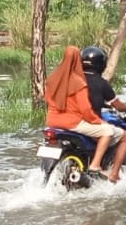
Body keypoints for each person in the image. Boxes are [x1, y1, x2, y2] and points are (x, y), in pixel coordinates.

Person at [44, 45, 119, 181]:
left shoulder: (52, 79)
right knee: (107, 131)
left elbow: (48, 100)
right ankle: (95, 165)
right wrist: (98, 121)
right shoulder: (78, 82)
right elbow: (85, 110)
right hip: (71, 123)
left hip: (51, 122)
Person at [80, 45, 126, 183]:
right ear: (101, 64)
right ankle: (114, 174)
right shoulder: (102, 84)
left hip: (71, 121)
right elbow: (118, 106)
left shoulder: (75, 80)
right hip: (88, 123)